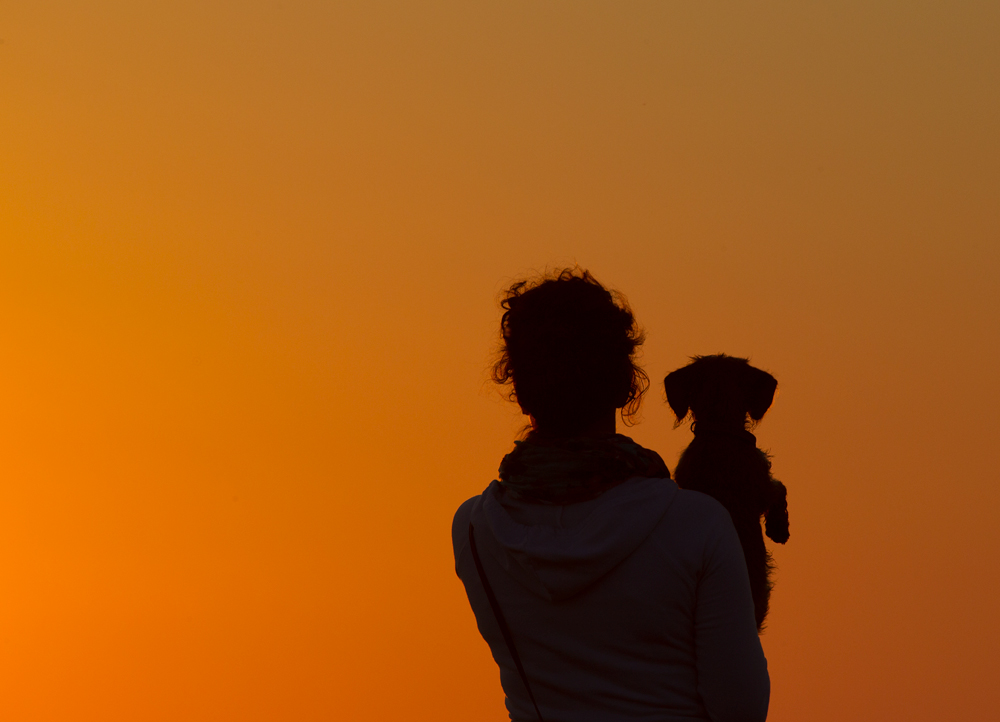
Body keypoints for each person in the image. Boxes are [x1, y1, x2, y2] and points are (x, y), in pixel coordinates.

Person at [452, 268, 770, 722]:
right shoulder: (698, 523)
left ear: (519, 390)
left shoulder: (473, 529)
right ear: (627, 385)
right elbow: (741, 708)